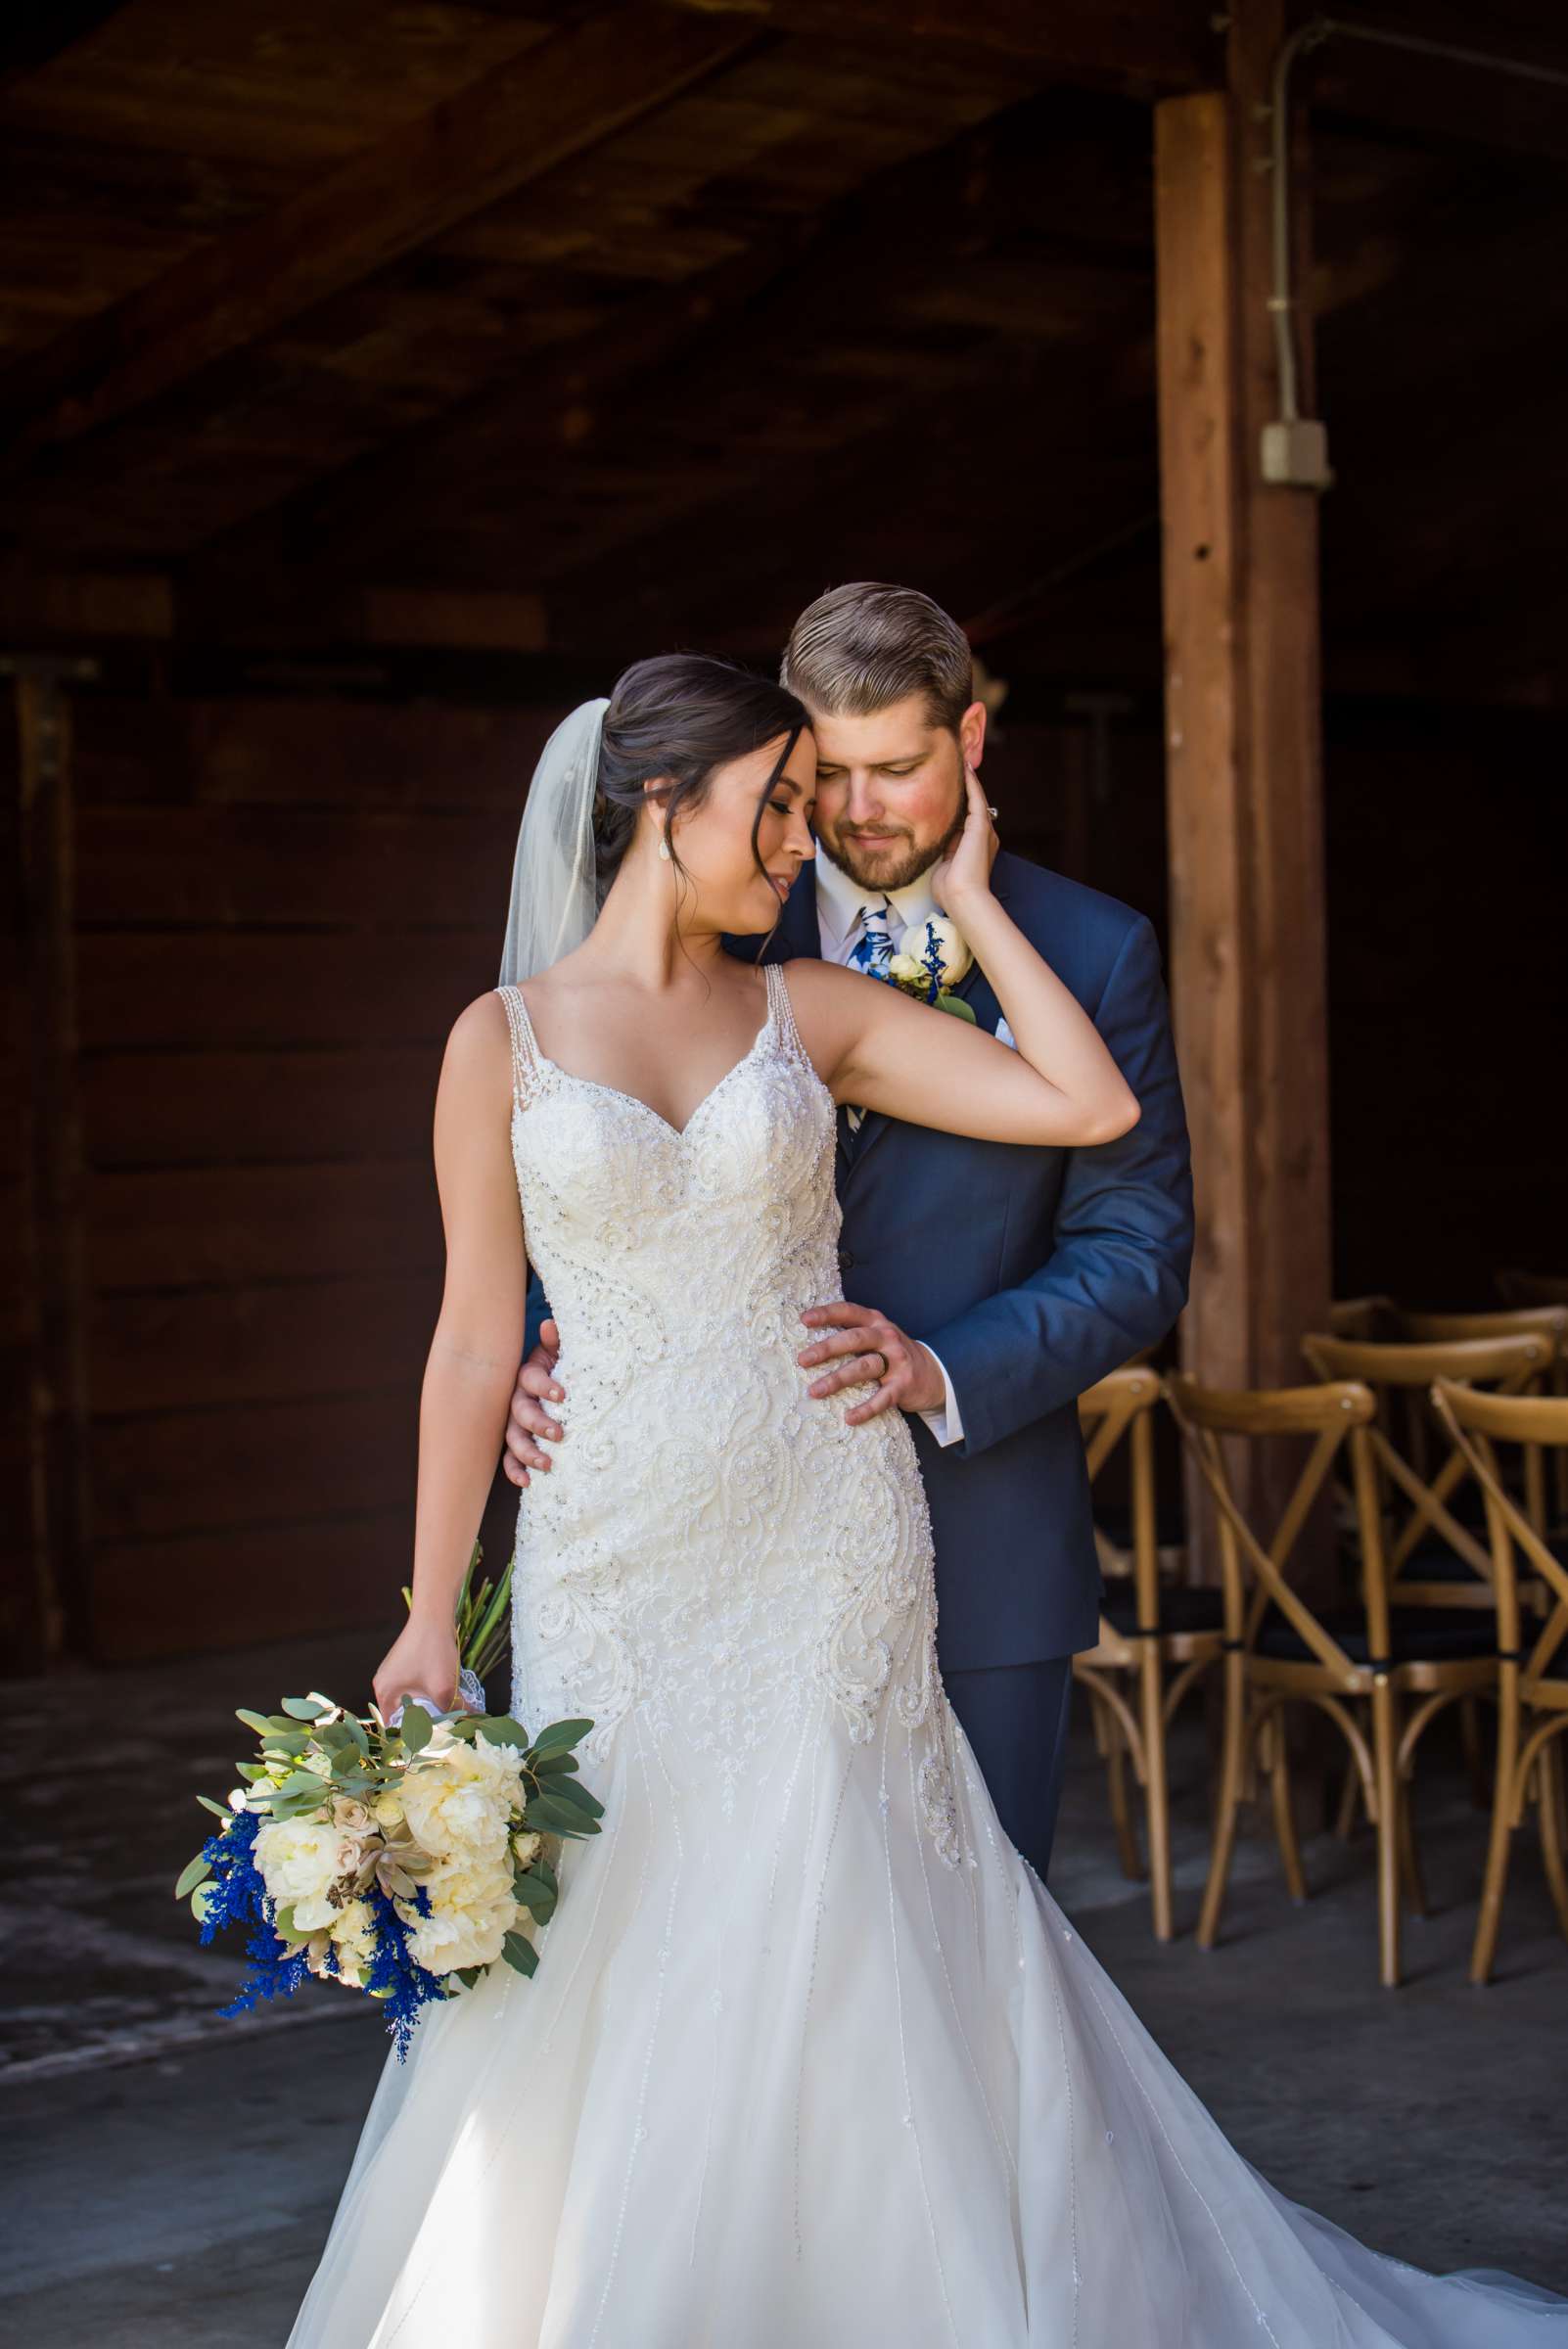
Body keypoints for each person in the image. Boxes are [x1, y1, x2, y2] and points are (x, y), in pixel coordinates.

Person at [290, 653, 1566, 2346]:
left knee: (841, 1906)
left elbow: (1085, 1104)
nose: (801, 840)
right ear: (661, 812)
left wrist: (969, 894)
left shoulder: (800, 1014)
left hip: (827, 1539)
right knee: (629, 1915)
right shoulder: (499, 1041)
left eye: (813, 802)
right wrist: (429, 1614)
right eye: (774, 806)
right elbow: (469, 1343)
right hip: (611, 1553)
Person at [503, 583, 1193, 1881]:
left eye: (899, 769)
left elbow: (1137, 1244)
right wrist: (552, 1346)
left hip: (976, 1533)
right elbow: (588, 1159)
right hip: (698, 1548)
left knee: (971, 1984)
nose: (858, 810)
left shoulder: (1091, 955)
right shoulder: (713, 915)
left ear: (970, 745)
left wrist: (943, 1368)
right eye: (829, 773)